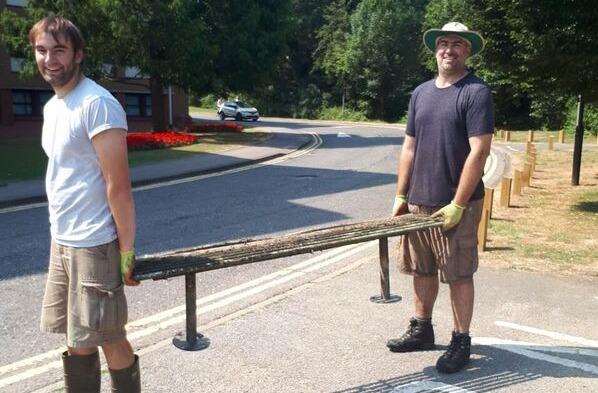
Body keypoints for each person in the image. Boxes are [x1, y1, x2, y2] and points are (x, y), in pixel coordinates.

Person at [31, 16, 141, 391]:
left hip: (95, 243)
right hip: (62, 240)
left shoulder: (97, 104)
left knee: (109, 336)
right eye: (42, 50)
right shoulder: (53, 107)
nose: (50, 59)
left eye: (59, 50)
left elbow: (119, 186)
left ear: (78, 54)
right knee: (76, 338)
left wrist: (126, 251)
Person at [388, 22, 494, 374]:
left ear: (468, 51)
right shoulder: (420, 93)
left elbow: (479, 152)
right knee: (422, 268)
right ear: (435, 49)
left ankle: (461, 339)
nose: (449, 49)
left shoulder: (476, 92)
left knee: (459, 273)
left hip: (455, 204)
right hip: (419, 200)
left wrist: (460, 204)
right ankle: (422, 327)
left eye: (457, 44)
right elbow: (409, 147)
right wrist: (401, 194)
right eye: (443, 43)